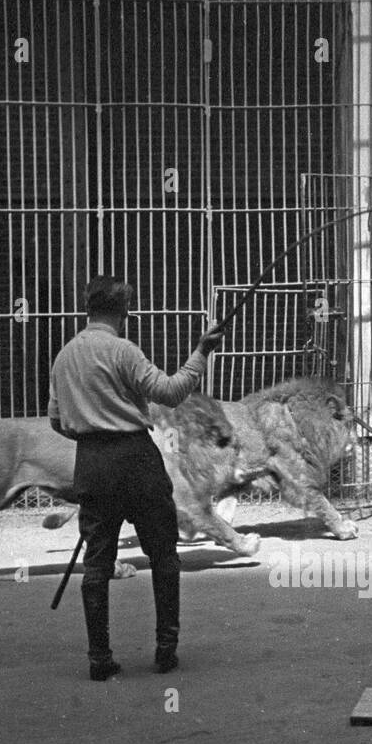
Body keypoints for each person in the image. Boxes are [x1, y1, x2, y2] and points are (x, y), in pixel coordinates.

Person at [48, 275, 224, 680]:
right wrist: (201, 352)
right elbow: (171, 391)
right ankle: (166, 649)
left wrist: (90, 433)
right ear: (123, 312)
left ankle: (99, 658)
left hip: (91, 464)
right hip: (136, 460)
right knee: (163, 555)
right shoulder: (122, 350)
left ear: (88, 308)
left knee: (97, 564)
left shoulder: (64, 356)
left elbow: (56, 420)